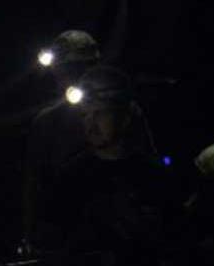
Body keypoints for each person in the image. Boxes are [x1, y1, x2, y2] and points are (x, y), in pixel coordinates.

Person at [23, 30, 157, 243]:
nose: (70, 77)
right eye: (64, 71)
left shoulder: (125, 109)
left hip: (123, 214)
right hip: (72, 219)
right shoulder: (47, 121)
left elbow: (147, 158)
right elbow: (35, 182)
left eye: (79, 69)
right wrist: (32, 235)